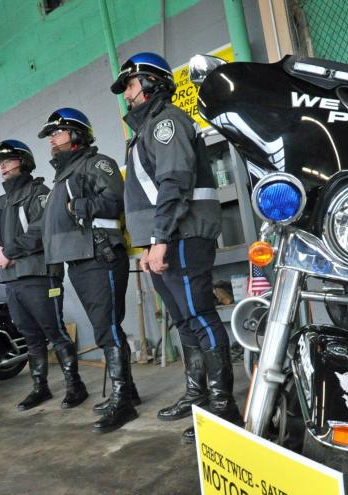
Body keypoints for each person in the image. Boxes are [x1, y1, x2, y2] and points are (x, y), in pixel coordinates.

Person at [111, 52, 242, 443]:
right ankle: (197, 395)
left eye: (131, 85)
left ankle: (223, 409)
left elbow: (174, 183)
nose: (127, 94)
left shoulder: (165, 122)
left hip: (180, 237)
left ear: (152, 83)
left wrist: (159, 240)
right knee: (184, 322)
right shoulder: (144, 130)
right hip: (163, 239)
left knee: (200, 315)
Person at [37, 108, 139, 433]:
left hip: (100, 255)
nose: (52, 140)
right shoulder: (63, 175)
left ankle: (122, 402)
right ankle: (129, 393)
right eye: (51, 135)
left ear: (76, 133)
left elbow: (115, 199)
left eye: (57, 132)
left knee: (106, 328)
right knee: (104, 327)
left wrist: (82, 207)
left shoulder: (97, 163)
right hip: (79, 259)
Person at [0, 140, 87, 411]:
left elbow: (41, 230)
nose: (2, 166)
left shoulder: (40, 193)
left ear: (23, 162)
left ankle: (75, 386)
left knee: (55, 330)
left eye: (7, 160)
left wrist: (10, 252)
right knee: (29, 335)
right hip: (12, 279)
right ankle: (41, 387)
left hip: (40, 275)